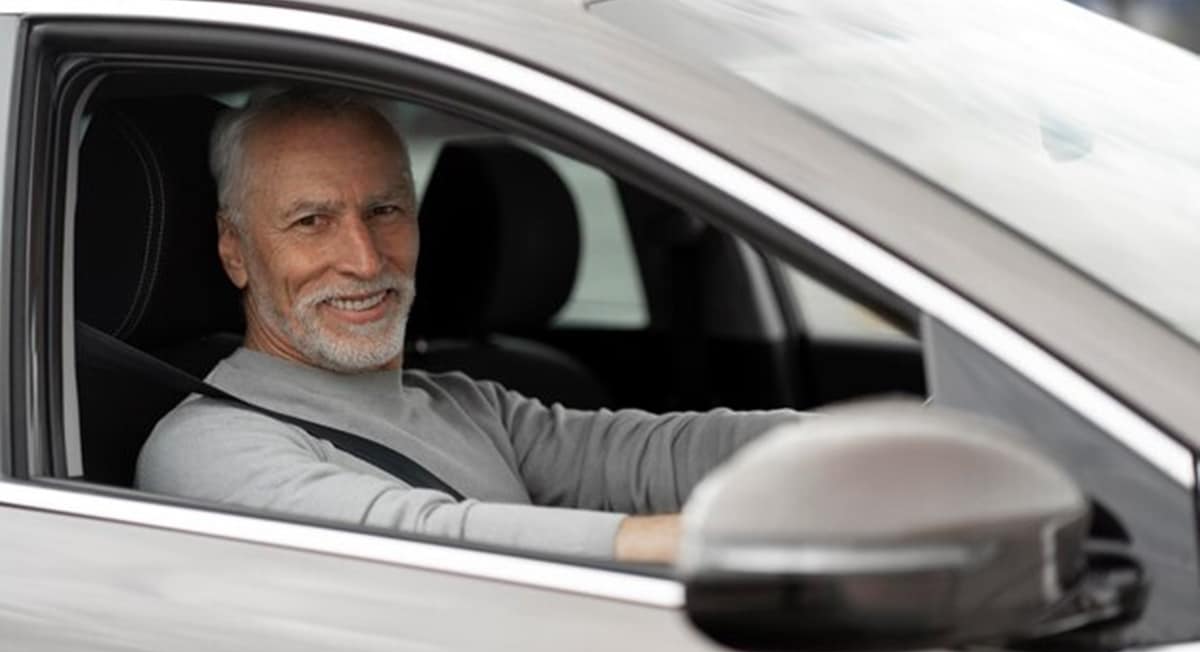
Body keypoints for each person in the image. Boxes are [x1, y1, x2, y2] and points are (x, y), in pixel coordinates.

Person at [136, 88, 804, 563]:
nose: (365, 258)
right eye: (311, 221)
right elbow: (423, 540)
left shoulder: (464, 403)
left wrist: (855, 442)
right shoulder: (205, 445)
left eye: (386, 210)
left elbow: (648, 455)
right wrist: (721, 541)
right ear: (235, 250)